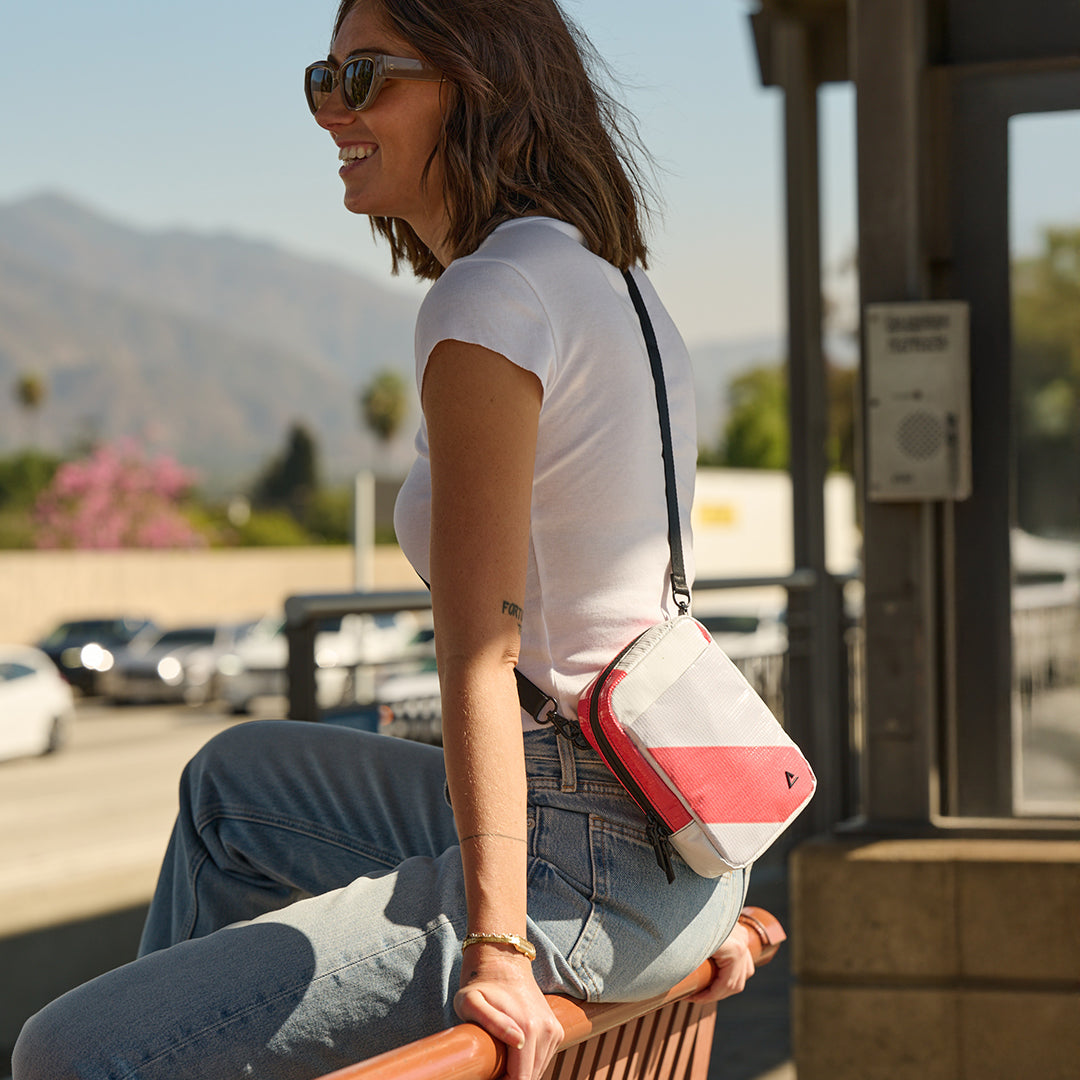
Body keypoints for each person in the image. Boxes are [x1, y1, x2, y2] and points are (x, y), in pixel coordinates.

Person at [12, 2, 756, 1079]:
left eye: (365, 78)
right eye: (324, 79)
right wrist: (696, 897)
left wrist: (499, 945)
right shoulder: (611, 281)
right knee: (231, 784)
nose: (330, 112)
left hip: (582, 870)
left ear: (478, 83)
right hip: (675, 838)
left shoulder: (491, 297)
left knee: (66, 1052)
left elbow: (483, 655)